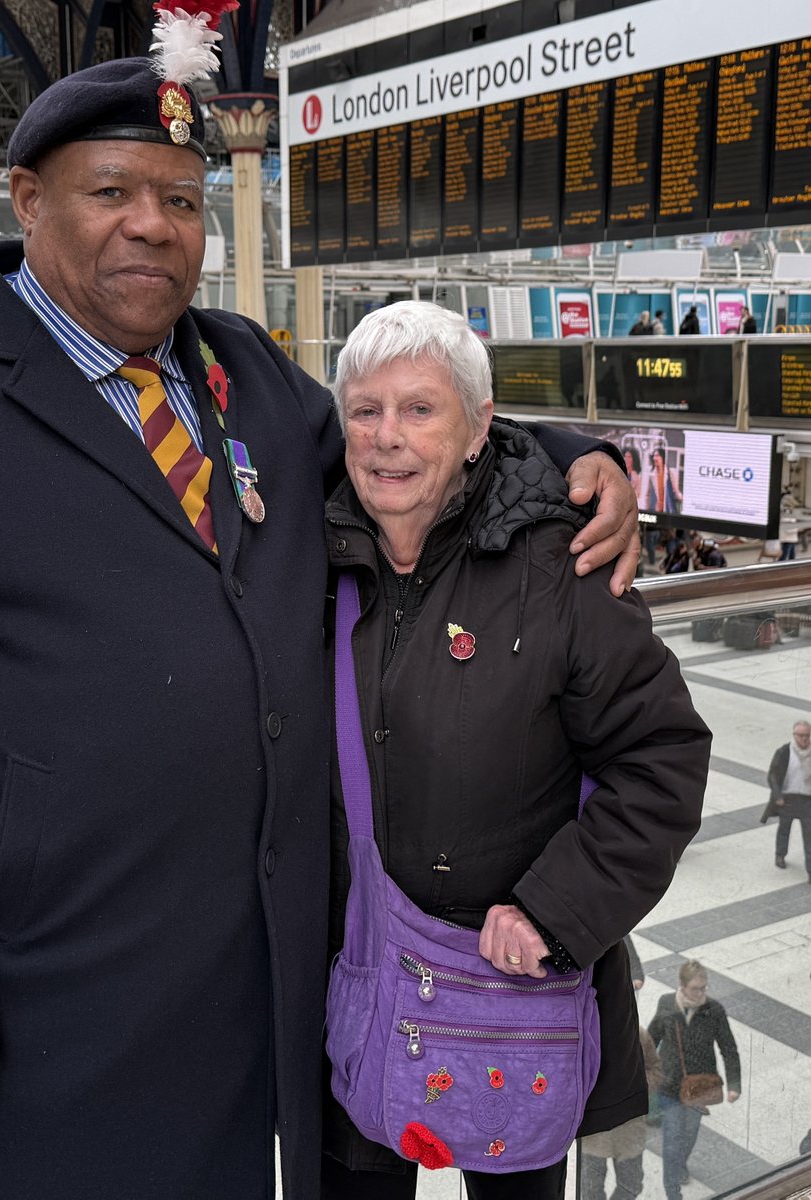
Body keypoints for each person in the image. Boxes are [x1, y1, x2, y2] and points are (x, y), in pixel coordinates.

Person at [0, 41, 641, 1200]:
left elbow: (404, 460)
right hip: (46, 1003)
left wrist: (575, 456)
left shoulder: (241, 370)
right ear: (28, 200)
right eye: (112, 191)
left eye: (181, 200)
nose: (153, 225)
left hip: (256, 984)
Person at [320, 302, 711, 1200]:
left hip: (512, 1004)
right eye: (366, 410)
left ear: (478, 430)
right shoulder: (309, 548)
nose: (387, 437)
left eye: (421, 409)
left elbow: (662, 756)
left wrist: (554, 912)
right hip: (358, 991)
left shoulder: (562, 566)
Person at [648, 962, 740, 1200]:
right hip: (669, 1085)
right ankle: (673, 1193)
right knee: (672, 1140)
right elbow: (652, 1037)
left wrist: (734, 1085)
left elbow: (728, 1048)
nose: (701, 993)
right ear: (682, 986)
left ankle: (680, 1164)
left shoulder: (714, 1010)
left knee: (688, 1136)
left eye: (703, 988)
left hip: (699, 1088)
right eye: (695, 988)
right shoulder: (667, 1003)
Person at [580, 1027, 663, 1200]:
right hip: (594, 1131)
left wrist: (635, 1086)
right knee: (590, 1190)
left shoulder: (637, 1033)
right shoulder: (587, 1032)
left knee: (631, 1184)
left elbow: (655, 1069)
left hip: (629, 1129)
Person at [762, 720, 811, 874]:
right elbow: (772, 775)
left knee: (809, 835)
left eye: (807, 735)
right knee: (784, 829)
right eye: (801, 735)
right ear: (794, 735)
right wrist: (778, 796)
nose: (804, 739)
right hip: (787, 800)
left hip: (807, 801)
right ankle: (780, 855)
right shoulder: (784, 752)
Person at [646, 445, 683, 514]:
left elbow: (676, 491)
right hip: (654, 510)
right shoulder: (651, 475)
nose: (654, 458)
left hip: (668, 510)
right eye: (654, 456)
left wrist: (684, 499)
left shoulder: (669, 473)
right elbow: (647, 495)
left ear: (662, 457)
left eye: (657, 455)